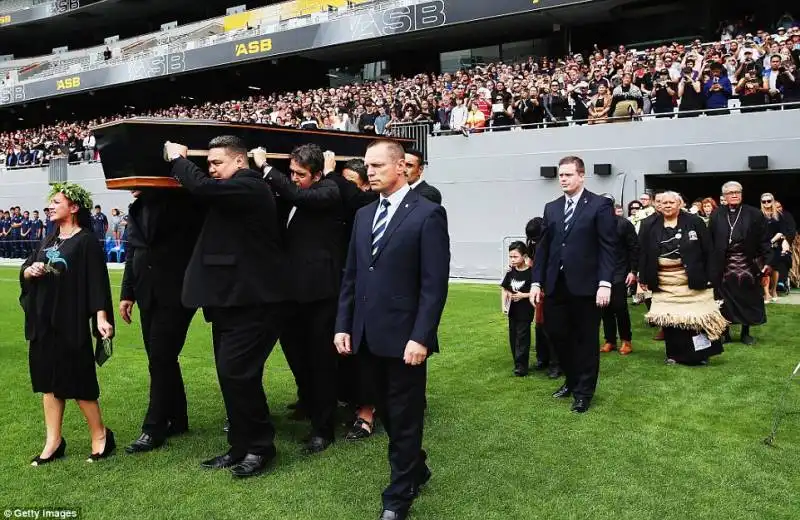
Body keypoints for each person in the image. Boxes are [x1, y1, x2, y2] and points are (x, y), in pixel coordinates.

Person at [334, 139, 450, 520]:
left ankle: (398, 496)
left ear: (401, 167)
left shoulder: (428, 214)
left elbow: (434, 285)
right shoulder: (364, 215)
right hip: (366, 335)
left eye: (379, 165)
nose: (371, 171)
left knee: (403, 417)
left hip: (405, 340)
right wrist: (343, 325)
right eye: (368, 166)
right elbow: (351, 275)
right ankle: (416, 465)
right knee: (387, 410)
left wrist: (421, 336)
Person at [164, 136, 285, 478]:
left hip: (256, 304)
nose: (212, 170)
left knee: (238, 374)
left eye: (217, 163)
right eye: (209, 164)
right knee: (230, 377)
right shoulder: (232, 193)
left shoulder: (250, 186)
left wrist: (178, 159)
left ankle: (261, 447)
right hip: (231, 302)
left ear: (239, 162)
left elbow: (202, 189)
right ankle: (240, 446)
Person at [256, 143, 344, 454]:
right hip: (291, 294)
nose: (294, 179)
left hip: (321, 295)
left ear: (318, 174)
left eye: (300, 174)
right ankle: (308, 403)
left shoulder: (329, 190)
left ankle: (324, 429)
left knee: (321, 362)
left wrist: (267, 168)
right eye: (290, 172)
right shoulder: (292, 195)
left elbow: (300, 196)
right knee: (296, 355)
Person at [19, 183, 115, 465]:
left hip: (70, 321)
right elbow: (26, 268)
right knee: (48, 383)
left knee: (78, 382)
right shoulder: (48, 240)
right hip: (43, 322)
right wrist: (30, 271)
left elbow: (97, 282)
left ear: (74, 207)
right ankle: (54, 441)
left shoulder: (85, 241)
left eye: (56, 201)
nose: (50, 206)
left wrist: (101, 317)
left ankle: (100, 436)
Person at [120, 189, 203, 454]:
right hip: (147, 293)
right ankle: (178, 419)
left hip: (177, 294)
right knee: (162, 359)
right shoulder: (136, 207)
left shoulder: (180, 201)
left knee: (160, 357)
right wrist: (127, 294)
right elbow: (133, 251)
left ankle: (153, 427)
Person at [530, 156, 616, 414]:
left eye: (568, 175)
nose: (563, 180)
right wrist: (536, 281)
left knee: (586, 340)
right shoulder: (552, 208)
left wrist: (605, 283)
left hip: (588, 286)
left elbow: (608, 247)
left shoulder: (600, 205)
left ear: (581, 176)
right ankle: (571, 378)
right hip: (556, 285)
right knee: (556, 335)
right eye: (561, 175)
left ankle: (583, 392)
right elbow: (543, 248)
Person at [638, 191, 727, 365]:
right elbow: (642, 252)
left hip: (691, 278)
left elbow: (708, 249)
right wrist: (643, 276)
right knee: (670, 320)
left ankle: (701, 355)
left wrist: (711, 275)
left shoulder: (694, 221)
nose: (668, 205)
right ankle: (674, 355)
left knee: (697, 318)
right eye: (664, 203)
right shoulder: (648, 224)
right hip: (664, 280)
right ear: (658, 205)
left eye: (672, 202)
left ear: (680, 204)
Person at [708, 181, 770, 345]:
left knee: (747, 298)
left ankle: (745, 333)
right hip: (724, 264)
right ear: (724, 196)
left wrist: (767, 261)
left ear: (741, 194)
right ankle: (725, 333)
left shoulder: (754, 213)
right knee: (723, 300)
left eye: (737, 192)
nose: (734, 195)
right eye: (730, 193)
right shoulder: (716, 214)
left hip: (747, 263)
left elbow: (764, 239)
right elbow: (711, 240)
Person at [600, 195, 640, 356]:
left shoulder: (624, 224)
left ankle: (626, 340)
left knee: (619, 307)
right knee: (604, 306)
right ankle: (610, 340)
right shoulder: (595, 224)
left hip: (620, 271)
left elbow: (634, 248)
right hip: (601, 271)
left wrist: (633, 271)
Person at [525, 217, 559, 378]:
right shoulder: (533, 244)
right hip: (540, 290)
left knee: (553, 328)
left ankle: (556, 363)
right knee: (540, 326)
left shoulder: (554, 243)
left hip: (554, 288)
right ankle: (542, 358)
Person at [501, 241, 534, 376]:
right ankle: (517, 362)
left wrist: (523, 295)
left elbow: (538, 291)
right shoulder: (511, 272)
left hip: (525, 311)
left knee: (522, 337)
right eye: (510, 257)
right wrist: (504, 304)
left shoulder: (531, 273)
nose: (512, 260)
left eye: (515, 257)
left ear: (524, 256)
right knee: (513, 337)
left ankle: (521, 367)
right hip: (513, 311)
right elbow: (505, 288)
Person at [760, 193, 792, 302]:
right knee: (765, 269)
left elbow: (782, 231)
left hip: (775, 244)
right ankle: (766, 293)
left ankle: (773, 290)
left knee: (775, 268)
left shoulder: (779, 215)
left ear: (772, 201)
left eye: (769, 201)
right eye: (764, 201)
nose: (766, 203)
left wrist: (772, 241)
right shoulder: (759, 215)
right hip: (762, 245)